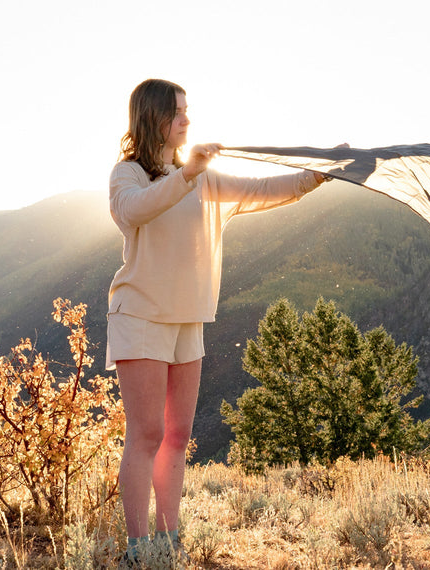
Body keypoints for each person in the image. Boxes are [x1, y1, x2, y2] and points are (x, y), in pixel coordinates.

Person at [106, 78, 329, 563]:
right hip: (140, 315)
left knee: (177, 436)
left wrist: (316, 176)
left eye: (189, 111)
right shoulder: (128, 175)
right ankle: (137, 549)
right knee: (145, 433)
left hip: (189, 320)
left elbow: (263, 188)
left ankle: (169, 541)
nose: (187, 120)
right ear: (153, 118)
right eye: (178, 113)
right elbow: (136, 211)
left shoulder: (201, 176)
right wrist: (187, 174)